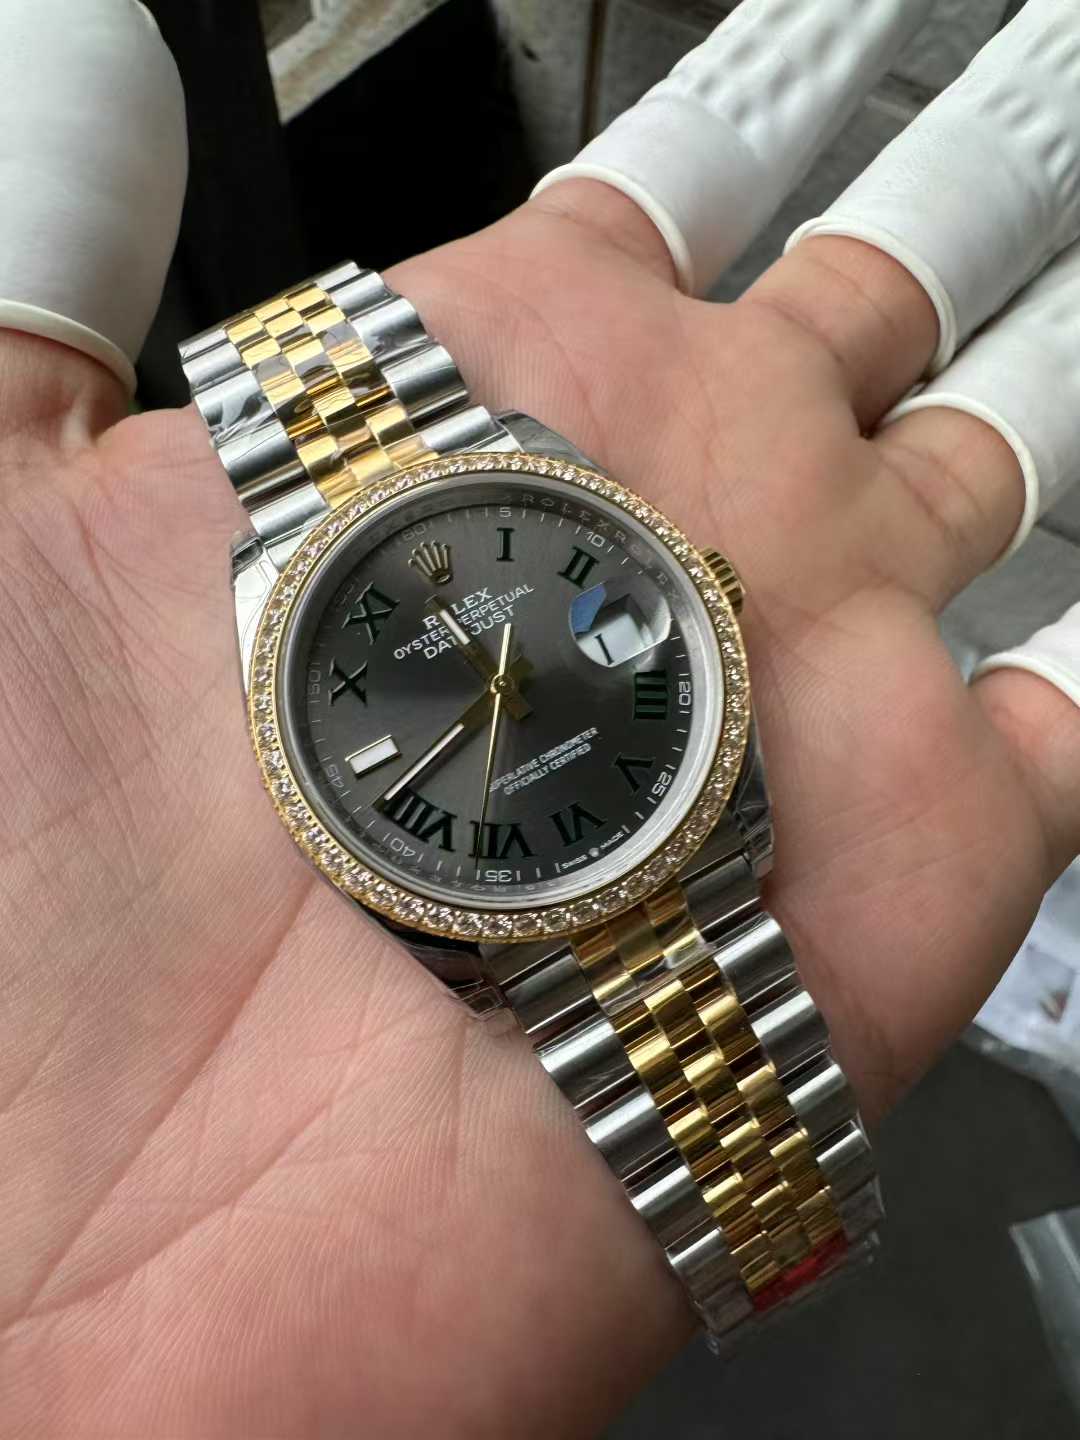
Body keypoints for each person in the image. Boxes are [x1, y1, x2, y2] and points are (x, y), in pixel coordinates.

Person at [1, 1, 1078, 1435]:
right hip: (530, 884)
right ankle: (801, 1259)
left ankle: (808, 1266)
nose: (497, 687)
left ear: (694, 586)